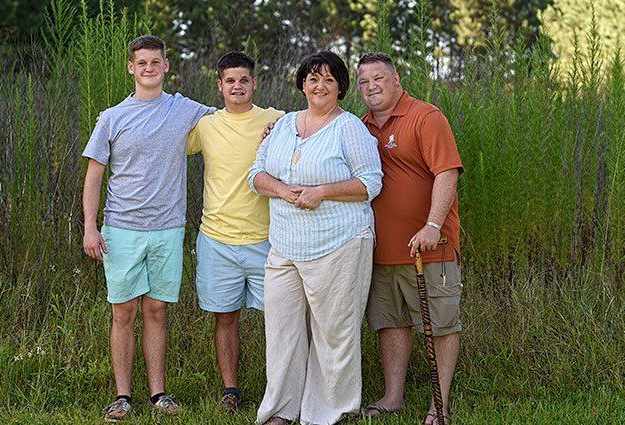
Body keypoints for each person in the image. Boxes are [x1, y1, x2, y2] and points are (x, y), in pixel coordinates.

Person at [82, 35, 214, 423]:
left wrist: (271, 125)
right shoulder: (112, 117)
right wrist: (91, 227)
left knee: (156, 310)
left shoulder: (184, 109)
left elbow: (230, 118)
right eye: (141, 63)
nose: (149, 68)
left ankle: (158, 393)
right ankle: (122, 396)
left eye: (155, 62)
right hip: (121, 228)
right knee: (123, 313)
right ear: (131, 68)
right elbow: (93, 176)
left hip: (168, 228)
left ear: (166, 66)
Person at [249, 51, 383, 425]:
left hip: (338, 243)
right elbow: (256, 173)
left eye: (328, 79)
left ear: (340, 87)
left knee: (334, 333)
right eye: (312, 79)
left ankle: (328, 412)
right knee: (281, 331)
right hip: (285, 247)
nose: (319, 86)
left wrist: (322, 191)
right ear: (302, 85)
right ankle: (281, 410)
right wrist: (279, 188)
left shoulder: (349, 127)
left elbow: (370, 182)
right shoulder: (283, 124)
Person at [356, 52, 464, 425]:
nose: (371, 87)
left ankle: (439, 404)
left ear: (396, 79)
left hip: (429, 247)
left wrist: (433, 225)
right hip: (381, 249)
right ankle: (393, 397)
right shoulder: (358, 126)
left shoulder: (425, 116)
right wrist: (275, 130)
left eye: (379, 78)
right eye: (364, 81)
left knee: (440, 324)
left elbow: (447, 173)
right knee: (391, 322)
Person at [186, 51, 284, 412]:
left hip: (267, 240)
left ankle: (282, 389)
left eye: (244, 80)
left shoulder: (277, 120)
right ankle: (231, 391)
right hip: (216, 239)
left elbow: (314, 131)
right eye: (230, 80)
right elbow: (161, 140)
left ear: (254, 83)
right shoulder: (206, 125)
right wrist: (113, 119)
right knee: (225, 317)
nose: (238, 86)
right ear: (220, 86)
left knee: (279, 319)